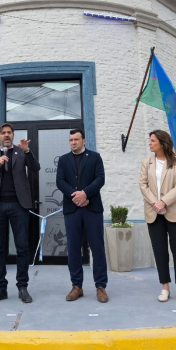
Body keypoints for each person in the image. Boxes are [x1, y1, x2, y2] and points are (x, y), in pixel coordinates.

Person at [0, 123, 40, 304]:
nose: (7, 135)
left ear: (13, 135)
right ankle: (0, 288)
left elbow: (35, 168)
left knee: (22, 247)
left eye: (9, 133)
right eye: (3, 133)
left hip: (18, 206)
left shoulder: (21, 152)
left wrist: (27, 151)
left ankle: (22, 287)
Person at [139, 130, 176, 304]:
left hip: (175, 212)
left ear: (162, 143)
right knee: (160, 252)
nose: (150, 143)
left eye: (152, 140)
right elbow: (143, 184)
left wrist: (164, 202)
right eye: (150, 140)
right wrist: (156, 202)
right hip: (154, 213)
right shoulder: (146, 163)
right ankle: (165, 287)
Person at [56, 128, 108, 303]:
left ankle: (101, 286)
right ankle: (76, 286)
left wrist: (85, 193)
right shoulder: (63, 160)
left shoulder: (95, 157)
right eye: (71, 140)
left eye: (76, 139)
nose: (73, 142)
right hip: (72, 210)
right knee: (73, 249)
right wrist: (76, 196)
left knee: (97, 247)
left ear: (84, 141)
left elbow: (100, 179)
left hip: (92, 208)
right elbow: (60, 181)